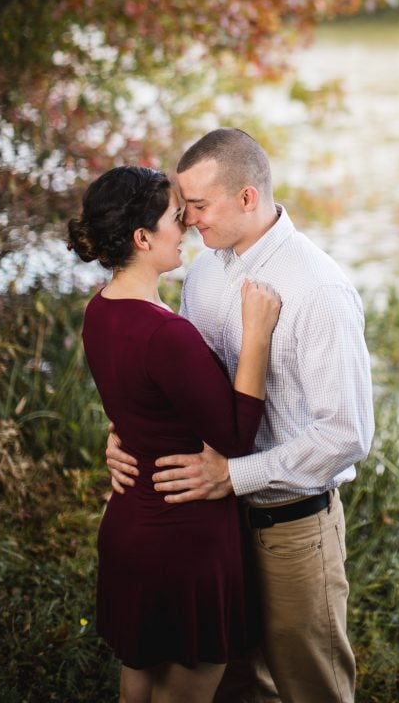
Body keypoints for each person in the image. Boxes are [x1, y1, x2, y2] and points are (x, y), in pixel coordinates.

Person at [107, 129, 375, 703]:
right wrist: (126, 433)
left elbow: (347, 433)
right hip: (211, 532)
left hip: (291, 527)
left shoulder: (319, 289)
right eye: (183, 208)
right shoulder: (202, 274)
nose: (187, 220)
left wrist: (235, 475)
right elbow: (180, 388)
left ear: (247, 198)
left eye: (198, 207)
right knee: (232, 685)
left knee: (312, 687)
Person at [67, 164, 281, 703]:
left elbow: (136, 404)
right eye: (172, 217)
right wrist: (255, 337)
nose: (184, 225)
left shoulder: (99, 311)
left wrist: (121, 436)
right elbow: (234, 439)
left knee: (137, 686)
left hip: (131, 526)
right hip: (183, 540)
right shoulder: (166, 334)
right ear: (143, 238)